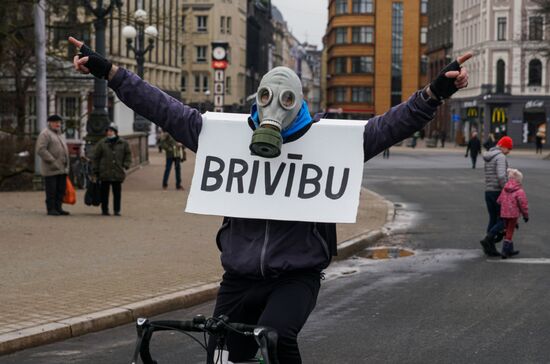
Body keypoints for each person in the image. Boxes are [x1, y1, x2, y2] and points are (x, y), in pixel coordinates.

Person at [69, 36, 471, 363]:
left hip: (295, 275)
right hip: (239, 275)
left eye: (285, 100)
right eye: (265, 97)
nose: (273, 108)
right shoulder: (225, 137)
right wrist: (109, 72)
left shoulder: (328, 141)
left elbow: (390, 126)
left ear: (299, 104)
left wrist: (437, 91)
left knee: (275, 340)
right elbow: (163, 109)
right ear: (256, 99)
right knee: (221, 354)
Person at [479, 136, 513, 257]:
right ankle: (488, 239)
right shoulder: (500, 157)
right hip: (498, 191)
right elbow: (501, 176)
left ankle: (490, 248)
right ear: (502, 146)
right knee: (504, 219)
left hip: (488, 191)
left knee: (493, 218)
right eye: (508, 148)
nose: (509, 151)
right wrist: (507, 188)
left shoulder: (489, 156)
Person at [92, 123, 132, 216]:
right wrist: (96, 169)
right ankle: (105, 209)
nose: (109, 133)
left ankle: (117, 210)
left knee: (117, 192)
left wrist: (126, 164)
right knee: (104, 192)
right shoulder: (102, 143)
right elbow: (96, 157)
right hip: (104, 171)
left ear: (115, 132)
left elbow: (128, 154)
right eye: (108, 131)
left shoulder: (123, 143)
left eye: (111, 131)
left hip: (117, 171)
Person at [35, 114, 70, 216]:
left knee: (61, 190)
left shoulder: (60, 134)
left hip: (62, 168)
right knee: (51, 190)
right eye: (55, 122)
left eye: (59, 122)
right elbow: (41, 149)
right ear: (50, 123)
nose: (58, 124)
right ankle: (51, 208)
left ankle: (58, 208)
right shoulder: (45, 134)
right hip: (51, 168)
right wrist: (52, 160)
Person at [497, 168, 529, 259]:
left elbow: (499, 200)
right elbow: (523, 205)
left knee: (507, 230)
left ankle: (510, 250)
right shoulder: (520, 191)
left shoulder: (505, 189)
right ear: (519, 180)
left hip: (504, 213)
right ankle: (505, 250)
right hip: (513, 214)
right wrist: (525, 215)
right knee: (510, 231)